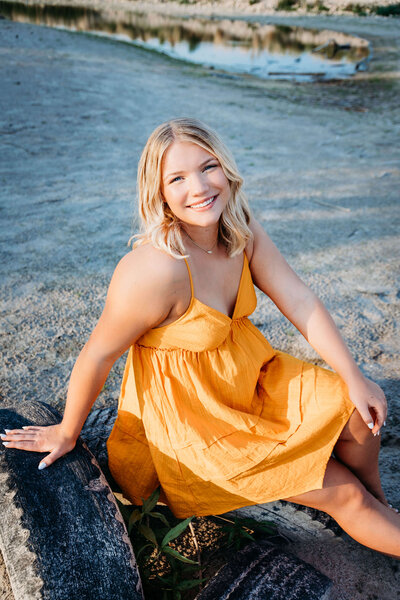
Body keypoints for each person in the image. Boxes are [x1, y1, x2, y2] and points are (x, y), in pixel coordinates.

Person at [2, 118, 399, 558]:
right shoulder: (156, 270)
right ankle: (362, 509)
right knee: (345, 495)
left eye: (208, 167)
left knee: (364, 413)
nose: (199, 187)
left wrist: (354, 376)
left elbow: (300, 300)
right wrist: (67, 431)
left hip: (250, 381)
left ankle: (378, 506)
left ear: (226, 169)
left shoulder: (239, 226)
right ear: (160, 194)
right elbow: (98, 354)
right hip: (201, 423)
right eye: (177, 178)